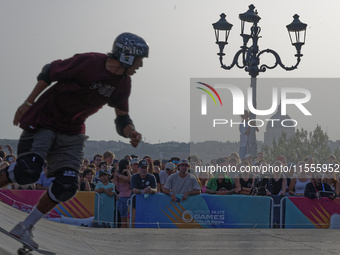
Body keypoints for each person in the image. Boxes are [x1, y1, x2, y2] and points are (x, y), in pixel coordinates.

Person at [0, 32, 148, 249]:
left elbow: (122, 119)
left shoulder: (123, 83)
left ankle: (24, 227)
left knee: (67, 186)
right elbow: (49, 72)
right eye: (139, 60)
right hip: (45, 121)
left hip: (72, 133)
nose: (141, 66)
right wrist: (27, 103)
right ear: (127, 56)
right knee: (27, 171)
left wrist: (131, 132)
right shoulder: (89, 62)